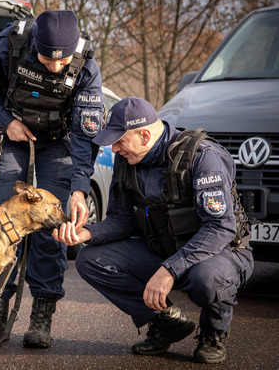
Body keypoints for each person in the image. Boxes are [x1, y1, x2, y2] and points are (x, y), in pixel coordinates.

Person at [52, 96, 254, 364]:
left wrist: (169, 270)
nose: (114, 149)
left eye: (119, 141)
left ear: (145, 135)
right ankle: (166, 322)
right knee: (90, 259)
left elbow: (220, 227)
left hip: (217, 255)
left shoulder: (203, 156)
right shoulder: (128, 161)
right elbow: (123, 220)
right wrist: (87, 233)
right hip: (165, 248)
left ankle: (213, 334)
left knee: (207, 280)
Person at [0, 10, 104, 348]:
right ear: (34, 45)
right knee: (3, 227)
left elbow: (87, 134)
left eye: (63, 60)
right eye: (47, 58)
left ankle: (42, 315)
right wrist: (5, 121)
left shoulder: (85, 64)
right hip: (14, 134)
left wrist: (79, 187)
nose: (56, 67)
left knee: (51, 228)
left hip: (58, 143)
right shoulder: (10, 41)